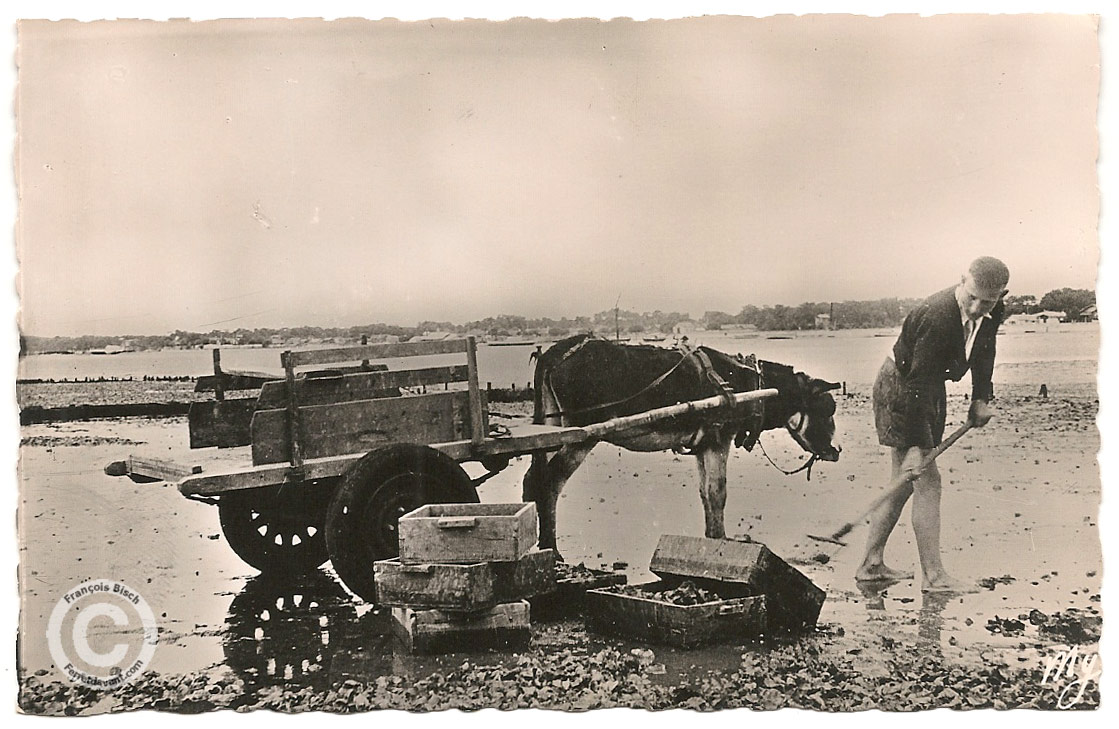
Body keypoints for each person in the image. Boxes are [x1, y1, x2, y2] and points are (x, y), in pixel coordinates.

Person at [856, 256, 1009, 592]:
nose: (976, 308)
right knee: (926, 479)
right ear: (961, 281)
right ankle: (934, 577)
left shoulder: (992, 310)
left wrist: (980, 398)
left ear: (1000, 296)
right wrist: (913, 446)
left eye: (987, 301)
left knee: (905, 480)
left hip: (927, 386)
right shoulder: (938, 316)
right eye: (972, 298)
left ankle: (871, 564)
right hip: (901, 386)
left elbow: (985, 350)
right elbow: (916, 386)